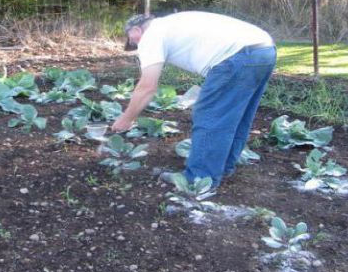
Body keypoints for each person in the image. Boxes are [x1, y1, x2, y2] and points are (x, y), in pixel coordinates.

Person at [111, 11, 276, 188]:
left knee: (209, 116)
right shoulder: (171, 23)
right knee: (237, 116)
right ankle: (223, 166)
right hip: (265, 50)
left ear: (136, 30)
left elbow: (147, 86)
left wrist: (126, 118)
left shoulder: (151, 34)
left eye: (132, 40)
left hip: (236, 57)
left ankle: (199, 180)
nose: (135, 45)